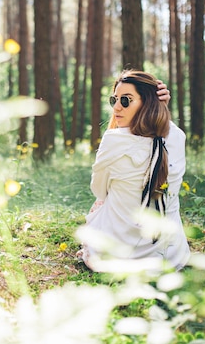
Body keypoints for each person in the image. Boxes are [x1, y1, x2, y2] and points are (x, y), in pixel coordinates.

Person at [77, 70, 191, 272]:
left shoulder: (113, 140)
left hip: (116, 253)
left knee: (101, 202)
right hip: (170, 255)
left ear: (147, 103)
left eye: (126, 101)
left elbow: (99, 191)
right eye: (115, 100)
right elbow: (162, 129)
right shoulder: (177, 137)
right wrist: (160, 108)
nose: (117, 108)